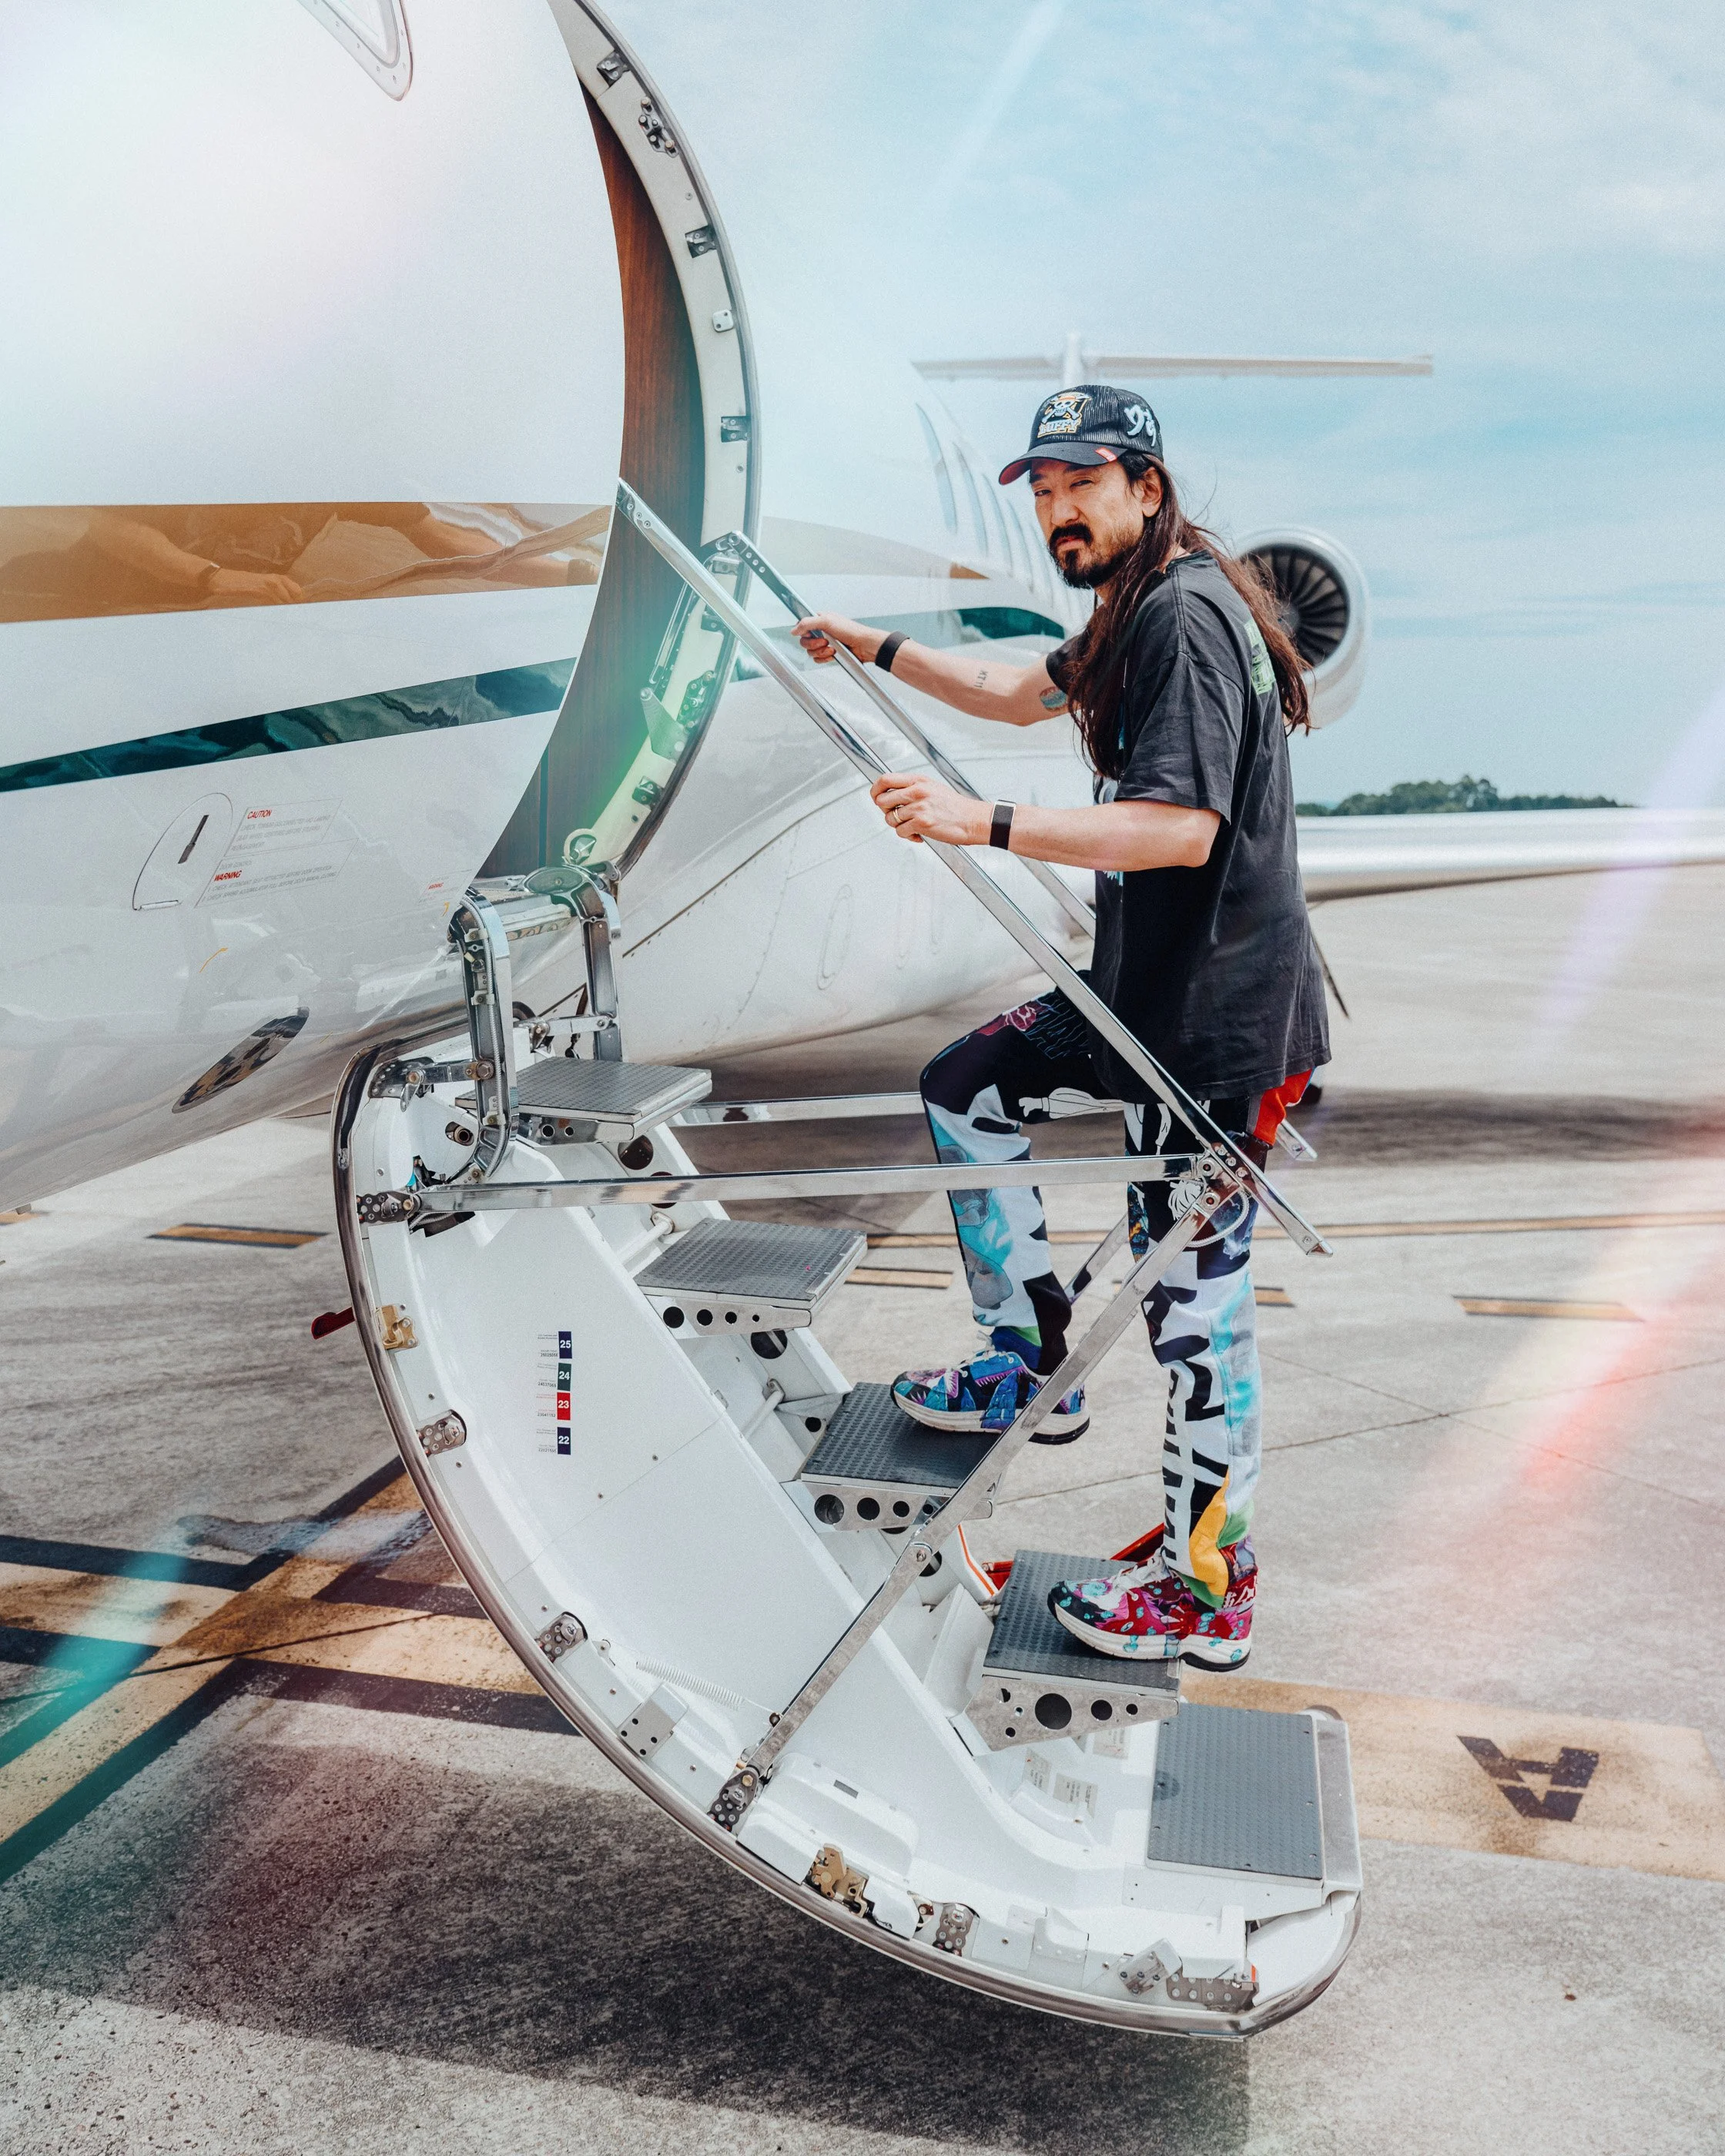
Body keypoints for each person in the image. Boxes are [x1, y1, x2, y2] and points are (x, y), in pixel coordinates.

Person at [795, 384, 1327, 1670]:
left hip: (1212, 1033)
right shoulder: (1131, 612)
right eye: (1039, 489)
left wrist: (980, 824)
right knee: (968, 1084)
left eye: (1080, 483)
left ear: (1148, 489)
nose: (1056, 509)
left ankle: (1213, 1590)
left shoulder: (1188, 618)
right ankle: (1030, 1359)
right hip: (1138, 999)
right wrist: (871, 645)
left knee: (1193, 1305)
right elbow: (1008, 690)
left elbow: (1178, 828)